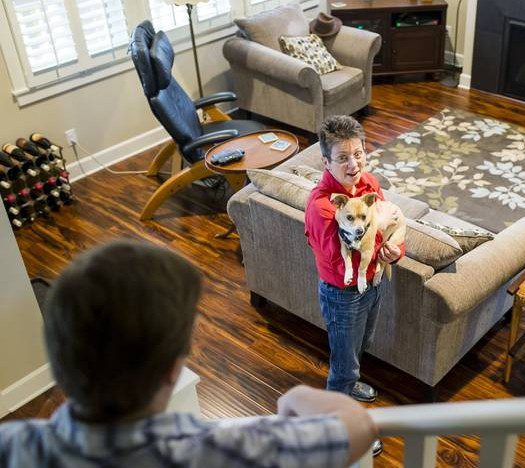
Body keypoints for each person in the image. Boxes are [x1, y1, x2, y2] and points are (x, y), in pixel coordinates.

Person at [0, 240, 377, 467]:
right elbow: (357, 427)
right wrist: (295, 396)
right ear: (172, 368)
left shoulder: (15, 445)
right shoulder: (220, 451)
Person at [304, 115, 404, 407]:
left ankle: (351, 382)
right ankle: (337, 413)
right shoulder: (322, 207)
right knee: (344, 363)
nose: (354, 165)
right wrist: (378, 227)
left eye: (358, 154)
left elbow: (392, 226)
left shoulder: (369, 184)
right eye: (343, 158)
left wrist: (396, 252)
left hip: (372, 283)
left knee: (362, 345)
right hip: (342, 294)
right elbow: (338, 263)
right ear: (326, 162)